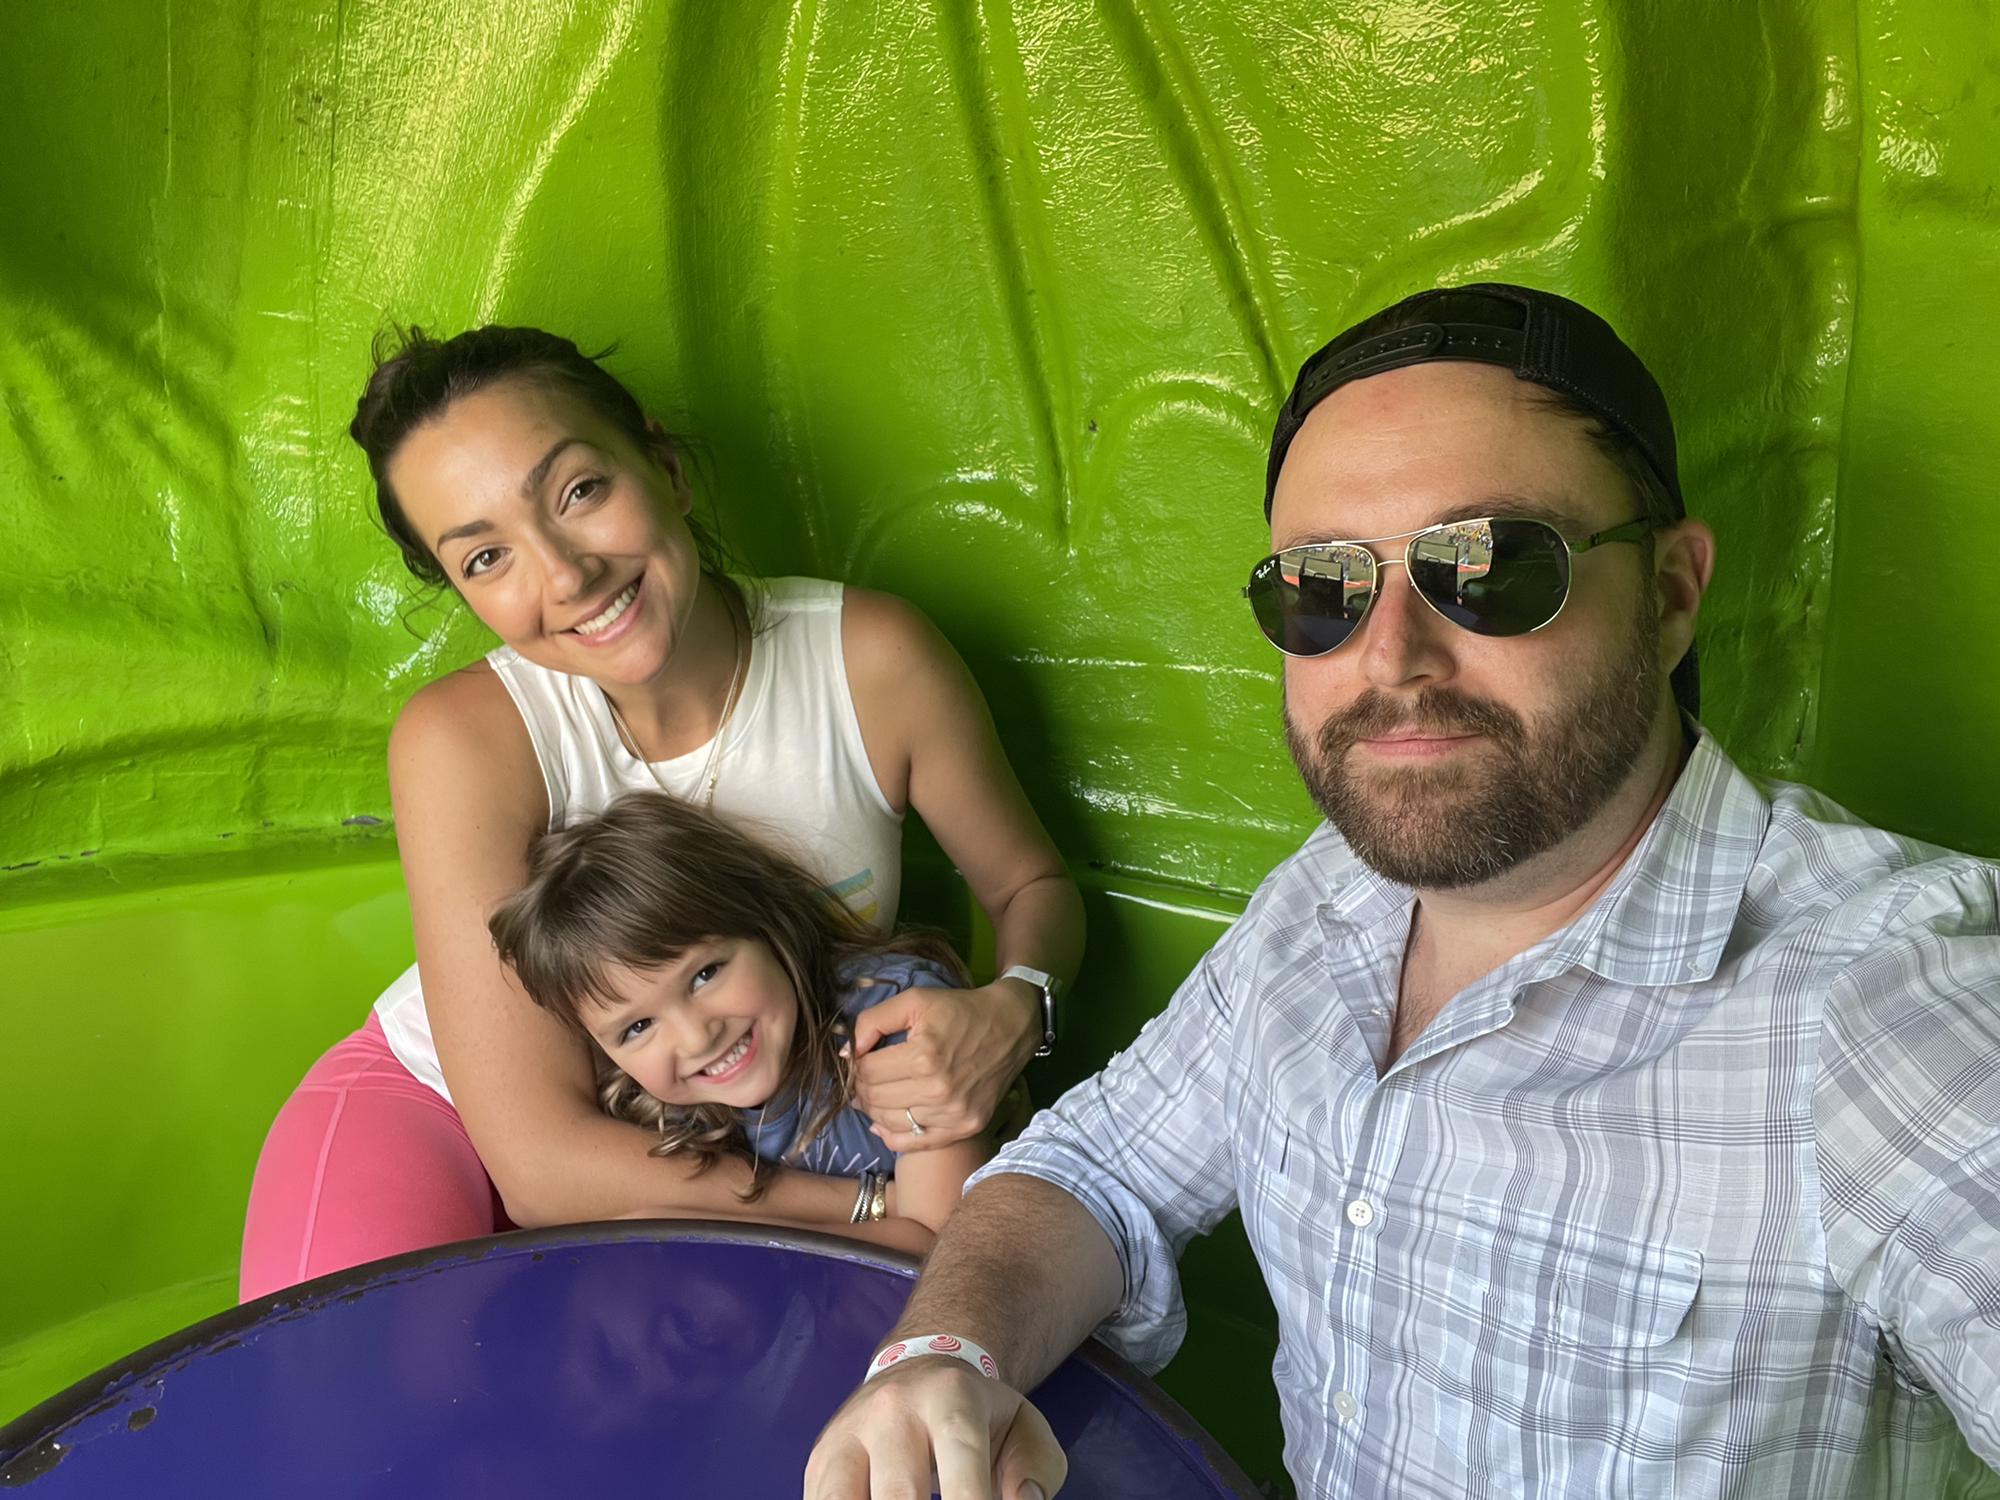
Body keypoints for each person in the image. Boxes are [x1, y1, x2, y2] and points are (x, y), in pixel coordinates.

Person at [805, 284, 2000, 1499]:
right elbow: (1095, 1168)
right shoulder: (1328, 896)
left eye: (1489, 568)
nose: (1389, 659)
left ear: (1669, 593)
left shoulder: (1887, 1006)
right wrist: (946, 1353)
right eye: (1320, 587)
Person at [240, 326, 1083, 1297]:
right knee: (345, 1379)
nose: (565, 576)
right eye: (487, 558)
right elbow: (545, 1166)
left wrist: (1015, 1008)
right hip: (447, 1121)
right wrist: (871, 1210)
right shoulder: (463, 738)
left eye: (579, 492)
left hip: (744, 1135)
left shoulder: (873, 661)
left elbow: (1029, 885)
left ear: (665, 468)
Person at [486, 789, 991, 1233]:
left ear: (766, 923)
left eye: (705, 975)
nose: (696, 1038)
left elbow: (937, 1242)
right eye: (638, 1027)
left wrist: (684, 1233)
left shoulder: (892, 1018)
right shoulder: (651, 1107)